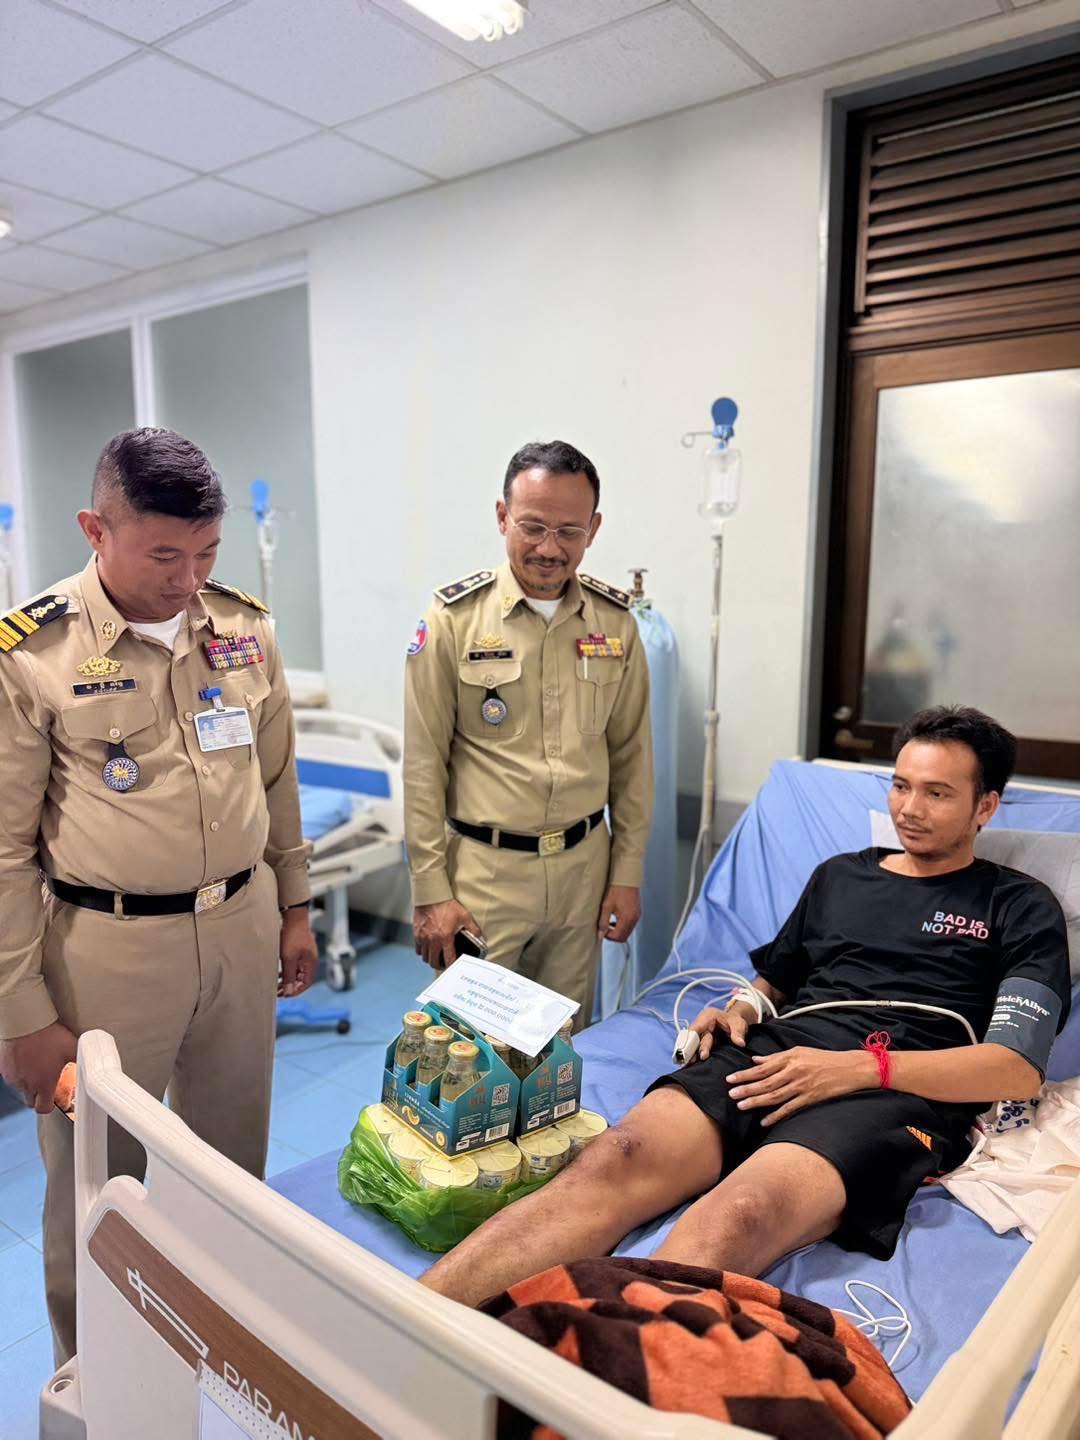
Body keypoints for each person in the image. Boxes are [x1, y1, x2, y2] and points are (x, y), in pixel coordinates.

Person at [421, 705, 1072, 1306]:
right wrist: (741, 1009)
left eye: (937, 793)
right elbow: (772, 984)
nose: (909, 808)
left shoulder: (1019, 905)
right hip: (775, 1057)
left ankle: (601, 1375)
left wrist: (858, 1070)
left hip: (892, 1089)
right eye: (900, 786)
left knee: (741, 1212)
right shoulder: (842, 876)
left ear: (985, 806)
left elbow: (1016, 1069)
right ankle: (410, 1323)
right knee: (615, 1156)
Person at [0, 428, 317, 1363]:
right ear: (96, 529)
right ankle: (96, 1387)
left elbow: (276, 779)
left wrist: (295, 908)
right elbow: (4, 851)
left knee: (233, 1167)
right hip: (108, 952)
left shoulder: (243, 630)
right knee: (99, 1185)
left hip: (240, 926)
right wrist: (23, 1014)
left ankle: (223, 1355)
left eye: (207, 552)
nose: (189, 579)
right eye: (165, 555)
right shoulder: (32, 655)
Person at [403, 440, 654, 1024]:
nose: (549, 548)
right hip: (485, 876)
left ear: (593, 529)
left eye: (569, 532)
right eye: (533, 527)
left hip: (583, 873)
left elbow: (633, 758)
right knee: (472, 1050)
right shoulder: (453, 621)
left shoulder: (615, 624)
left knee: (563, 1046)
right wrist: (431, 891)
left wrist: (626, 875)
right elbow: (422, 765)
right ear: (502, 517)